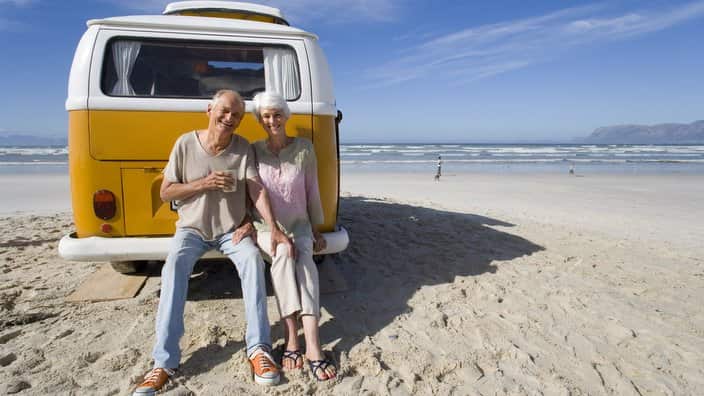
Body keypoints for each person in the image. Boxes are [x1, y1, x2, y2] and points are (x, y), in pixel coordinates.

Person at [133, 90, 293, 395]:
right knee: (174, 269)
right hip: (191, 230)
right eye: (225, 111)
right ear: (210, 109)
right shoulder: (185, 143)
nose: (230, 118)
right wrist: (203, 184)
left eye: (237, 115)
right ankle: (163, 362)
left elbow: (256, 189)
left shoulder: (243, 147)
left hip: (231, 231)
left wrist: (268, 226)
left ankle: (258, 349)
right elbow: (166, 192)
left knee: (252, 262)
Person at [243, 91, 337, 381]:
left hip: (300, 226)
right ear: (260, 120)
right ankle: (292, 339)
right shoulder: (254, 150)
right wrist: (263, 227)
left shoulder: (304, 148)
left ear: (285, 115)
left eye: (276, 114)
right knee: (283, 255)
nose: (272, 120)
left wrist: (317, 229)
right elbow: (253, 192)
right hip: (267, 227)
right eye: (266, 116)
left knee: (305, 260)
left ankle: (312, 345)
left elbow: (312, 191)